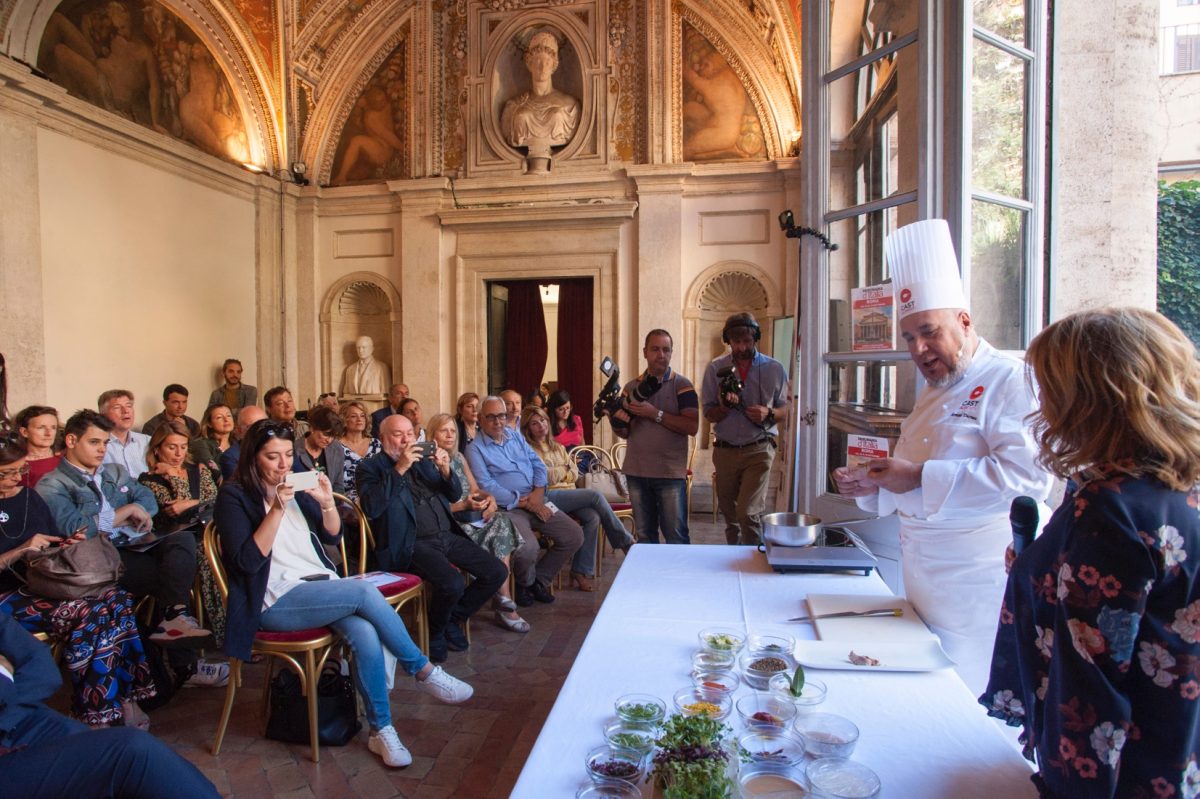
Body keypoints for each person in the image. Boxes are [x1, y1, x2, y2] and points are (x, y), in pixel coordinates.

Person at [981, 308, 1200, 798]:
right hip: (1174, 746)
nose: (1045, 409)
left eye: (1051, 391)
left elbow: (1091, 685)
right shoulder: (1176, 486)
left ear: (1090, 399)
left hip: (1116, 772)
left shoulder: (1108, 508)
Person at [831, 219, 1053, 694]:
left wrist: (916, 477)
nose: (919, 349)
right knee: (927, 687)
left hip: (977, 579)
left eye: (928, 332)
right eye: (909, 338)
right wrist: (873, 485)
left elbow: (1025, 482)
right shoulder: (934, 391)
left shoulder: (1009, 380)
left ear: (965, 321)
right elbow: (911, 480)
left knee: (967, 696)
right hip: (922, 572)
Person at [214, 419, 473, 768]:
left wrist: (325, 503)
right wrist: (275, 508)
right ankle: (424, 671)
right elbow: (246, 562)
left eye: (289, 455)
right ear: (252, 458)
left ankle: (381, 731)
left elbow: (333, 536)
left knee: (365, 631)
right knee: (364, 594)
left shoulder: (294, 483)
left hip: (319, 586)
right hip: (274, 599)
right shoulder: (234, 496)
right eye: (272, 457)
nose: (283, 464)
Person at [0, 434, 156, 728]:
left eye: (20, 470)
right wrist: (21, 549)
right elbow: (26, 547)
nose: (16, 479)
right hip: (7, 596)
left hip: (41, 581)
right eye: (6, 474)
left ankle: (125, 697)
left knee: (117, 598)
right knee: (90, 612)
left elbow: (52, 543)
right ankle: (96, 712)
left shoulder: (29, 497)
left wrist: (66, 543)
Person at [36, 410, 212, 648]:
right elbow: (75, 528)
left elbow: (147, 500)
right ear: (71, 441)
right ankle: (182, 656)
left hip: (136, 543)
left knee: (180, 540)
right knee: (170, 576)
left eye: (105, 443)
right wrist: (125, 513)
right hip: (99, 556)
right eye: (94, 442)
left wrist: (137, 509)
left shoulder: (114, 471)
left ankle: (175, 618)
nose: (102, 449)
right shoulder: (53, 484)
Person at [0, 611, 221, 798]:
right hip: (15, 719)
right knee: (129, 750)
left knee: (107, 761)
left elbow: (40, 663)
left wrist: (8, 706)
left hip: (20, 717)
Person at [356, 416, 507, 662]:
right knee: (452, 583)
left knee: (496, 571)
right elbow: (372, 507)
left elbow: (455, 493)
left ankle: (451, 619)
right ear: (382, 438)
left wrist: (445, 469)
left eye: (410, 433)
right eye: (397, 434)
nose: (406, 440)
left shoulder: (423, 462)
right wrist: (400, 468)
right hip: (410, 544)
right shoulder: (370, 468)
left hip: (446, 535)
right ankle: (436, 633)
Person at [466, 396, 583, 606]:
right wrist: (526, 503)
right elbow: (486, 485)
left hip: (537, 497)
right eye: (491, 417)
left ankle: (537, 580)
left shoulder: (514, 435)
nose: (498, 422)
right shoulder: (475, 448)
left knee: (574, 534)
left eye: (501, 416)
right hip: (508, 508)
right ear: (480, 420)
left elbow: (538, 464)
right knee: (528, 548)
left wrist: (538, 494)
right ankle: (525, 582)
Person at [426, 414, 529, 633]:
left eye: (453, 431)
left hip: (471, 513)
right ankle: (504, 601)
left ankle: (502, 598)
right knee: (495, 530)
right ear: (432, 434)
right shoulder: (426, 463)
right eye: (444, 430)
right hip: (450, 523)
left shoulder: (459, 458)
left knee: (500, 520)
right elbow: (431, 509)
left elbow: (475, 490)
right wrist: (463, 506)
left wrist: (489, 499)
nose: (450, 435)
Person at [137, 420, 227, 666]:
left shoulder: (199, 469)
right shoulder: (149, 480)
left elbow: (218, 501)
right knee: (210, 557)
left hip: (212, 531)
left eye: (182, 447)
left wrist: (191, 502)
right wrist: (173, 479)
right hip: (177, 541)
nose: (178, 454)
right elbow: (174, 511)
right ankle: (223, 634)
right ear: (157, 450)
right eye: (171, 448)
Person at [702, 312, 790, 547]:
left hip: (759, 448)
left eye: (747, 342)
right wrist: (723, 408)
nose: (742, 347)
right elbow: (708, 412)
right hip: (725, 449)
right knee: (730, 516)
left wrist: (769, 413)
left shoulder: (774, 368)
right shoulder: (715, 369)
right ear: (728, 341)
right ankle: (735, 559)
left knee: (748, 513)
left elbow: (786, 409)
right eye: (737, 342)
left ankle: (754, 563)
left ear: (756, 339)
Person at [522, 407, 633, 591]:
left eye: (542, 421)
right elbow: (544, 479)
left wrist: (563, 471)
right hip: (548, 495)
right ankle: (625, 541)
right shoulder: (529, 450)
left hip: (568, 493)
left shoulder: (557, 446)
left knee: (593, 517)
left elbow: (575, 472)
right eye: (535, 423)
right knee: (595, 496)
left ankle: (580, 571)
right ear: (528, 428)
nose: (541, 426)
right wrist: (563, 470)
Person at [611, 329, 699, 544]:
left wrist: (655, 414)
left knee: (676, 535)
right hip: (637, 472)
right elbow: (624, 432)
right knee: (644, 536)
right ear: (645, 352)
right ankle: (649, 578)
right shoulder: (631, 387)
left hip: (669, 473)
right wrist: (615, 421)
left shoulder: (682, 385)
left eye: (666, 350)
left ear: (671, 353)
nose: (661, 354)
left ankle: (677, 579)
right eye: (655, 349)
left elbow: (692, 426)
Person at [499, 30, 581, 161]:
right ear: (529, 63)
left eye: (547, 62)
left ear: (554, 65)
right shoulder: (513, 105)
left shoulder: (570, 105)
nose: (542, 67)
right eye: (537, 61)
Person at [293, 405, 346, 494]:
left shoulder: (336, 448)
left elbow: (338, 486)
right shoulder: (294, 449)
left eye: (333, 436)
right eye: (326, 434)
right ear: (312, 428)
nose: (329, 440)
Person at [98, 390, 151, 479]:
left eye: (129, 406)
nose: (126, 411)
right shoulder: (99, 445)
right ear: (103, 414)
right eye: (117, 407)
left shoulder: (147, 441)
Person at [338, 400, 381, 502]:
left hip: (376, 492)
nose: (359, 419)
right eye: (353, 416)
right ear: (344, 420)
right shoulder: (337, 447)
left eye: (362, 416)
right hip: (348, 497)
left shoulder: (376, 444)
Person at [14, 405, 60, 487]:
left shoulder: (65, 460)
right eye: (41, 427)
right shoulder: (14, 464)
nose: (48, 433)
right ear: (25, 432)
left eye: (53, 428)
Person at [219, 404, 267, 480]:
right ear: (239, 430)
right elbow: (242, 486)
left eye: (264, 425)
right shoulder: (231, 457)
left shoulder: (279, 448)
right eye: (252, 427)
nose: (260, 430)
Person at [190, 403, 234, 477]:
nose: (226, 420)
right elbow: (215, 471)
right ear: (209, 423)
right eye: (219, 417)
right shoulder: (200, 444)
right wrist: (221, 448)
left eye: (229, 416)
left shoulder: (237, 443)